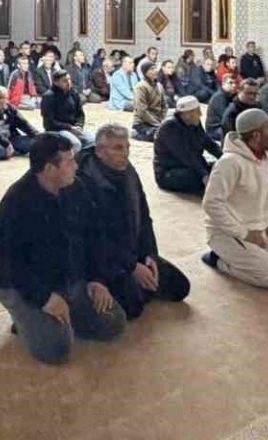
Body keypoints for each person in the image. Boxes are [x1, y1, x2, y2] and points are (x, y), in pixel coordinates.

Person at [0, 133, 126, 364]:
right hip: (22, 284)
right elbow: (10, 264)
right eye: (69, 162)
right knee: (56, 349)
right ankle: (26, 315)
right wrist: (44, 299)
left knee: (113, 322)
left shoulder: (76, 188)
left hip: (66, 278)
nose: (76, 166)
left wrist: (97, 279)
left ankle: (53, 315)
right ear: (49, 169)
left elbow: (94, 236)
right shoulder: (16, 203)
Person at [76, 124, 191, 318]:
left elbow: (144, 217)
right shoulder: (83, 182)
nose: (125, 153)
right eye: (117, 148)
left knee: (180, 287)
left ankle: (137, 285)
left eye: (127, 147)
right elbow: (95, 239)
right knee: (133, 306)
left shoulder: (129, 172)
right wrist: (131, 266)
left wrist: (149, 255)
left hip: (133, 251)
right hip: (103, 260)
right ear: (100, 151)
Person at [201, 109, 268, 290]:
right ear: (256, 135)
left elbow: (267, 197)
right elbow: (211, 204)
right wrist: (244, 233)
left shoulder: (266, 158)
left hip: (261, 229)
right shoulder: (229, 162)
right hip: (228, 233)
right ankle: (218, 260)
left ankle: (249, 256)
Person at [152, 96, 220, 195]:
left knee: (218, 170)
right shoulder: (170, 127)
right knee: (198, 177)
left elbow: (207, 142)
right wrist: (204, 174)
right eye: (196, 111)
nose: (200, 114)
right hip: (170, 170)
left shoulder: (194, 122)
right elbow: (186, 155)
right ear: (186, 114)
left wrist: (223, 157)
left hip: (190, 164)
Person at [0, 86, 38, 159]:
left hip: (11, 139)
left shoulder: (10, 109)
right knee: (1, 151)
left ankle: (14, 151)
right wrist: (7, 143)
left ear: (7, 99)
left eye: (1, 98)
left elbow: (24, 123)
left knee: (34, 142)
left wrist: (38, 136)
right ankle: (16, 151)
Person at [40, 68, 91, 147]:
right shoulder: (49, 97)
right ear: (56, 82)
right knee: (75, 144)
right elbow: (49, 122)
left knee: (92, 140)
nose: (68, 82)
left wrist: (79, 126)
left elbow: (80, 113)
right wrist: (70, 128)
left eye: (69, 79)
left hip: (74, 128)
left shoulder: (74, 93)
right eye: (64, 81)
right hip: (57, 130)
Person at [130, 61, 167, 142]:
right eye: (152, 69)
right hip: (143, 122)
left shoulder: (159, 86)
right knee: (160, 136)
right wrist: (157, 123)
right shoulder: (141, 87)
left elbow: (164, 106)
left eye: (155, 68)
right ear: (145, 72)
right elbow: (142, 110)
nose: (155, 71)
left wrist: (162, 119)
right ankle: (137, 134)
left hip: (158, 120)